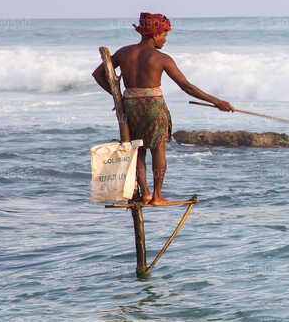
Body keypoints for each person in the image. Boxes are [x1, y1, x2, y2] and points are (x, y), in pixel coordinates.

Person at [92, 12, 233, 205]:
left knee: (137, 150)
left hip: (130, 107)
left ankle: (146, 193)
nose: (165, 39)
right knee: (158, 150)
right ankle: (158, 196)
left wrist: (117, 98)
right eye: (164, 34)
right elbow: (187, 87)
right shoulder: (161, 58)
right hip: (153, 107)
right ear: (154, 34)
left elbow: (98, 74)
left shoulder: (124, 53)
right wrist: (217, 102)